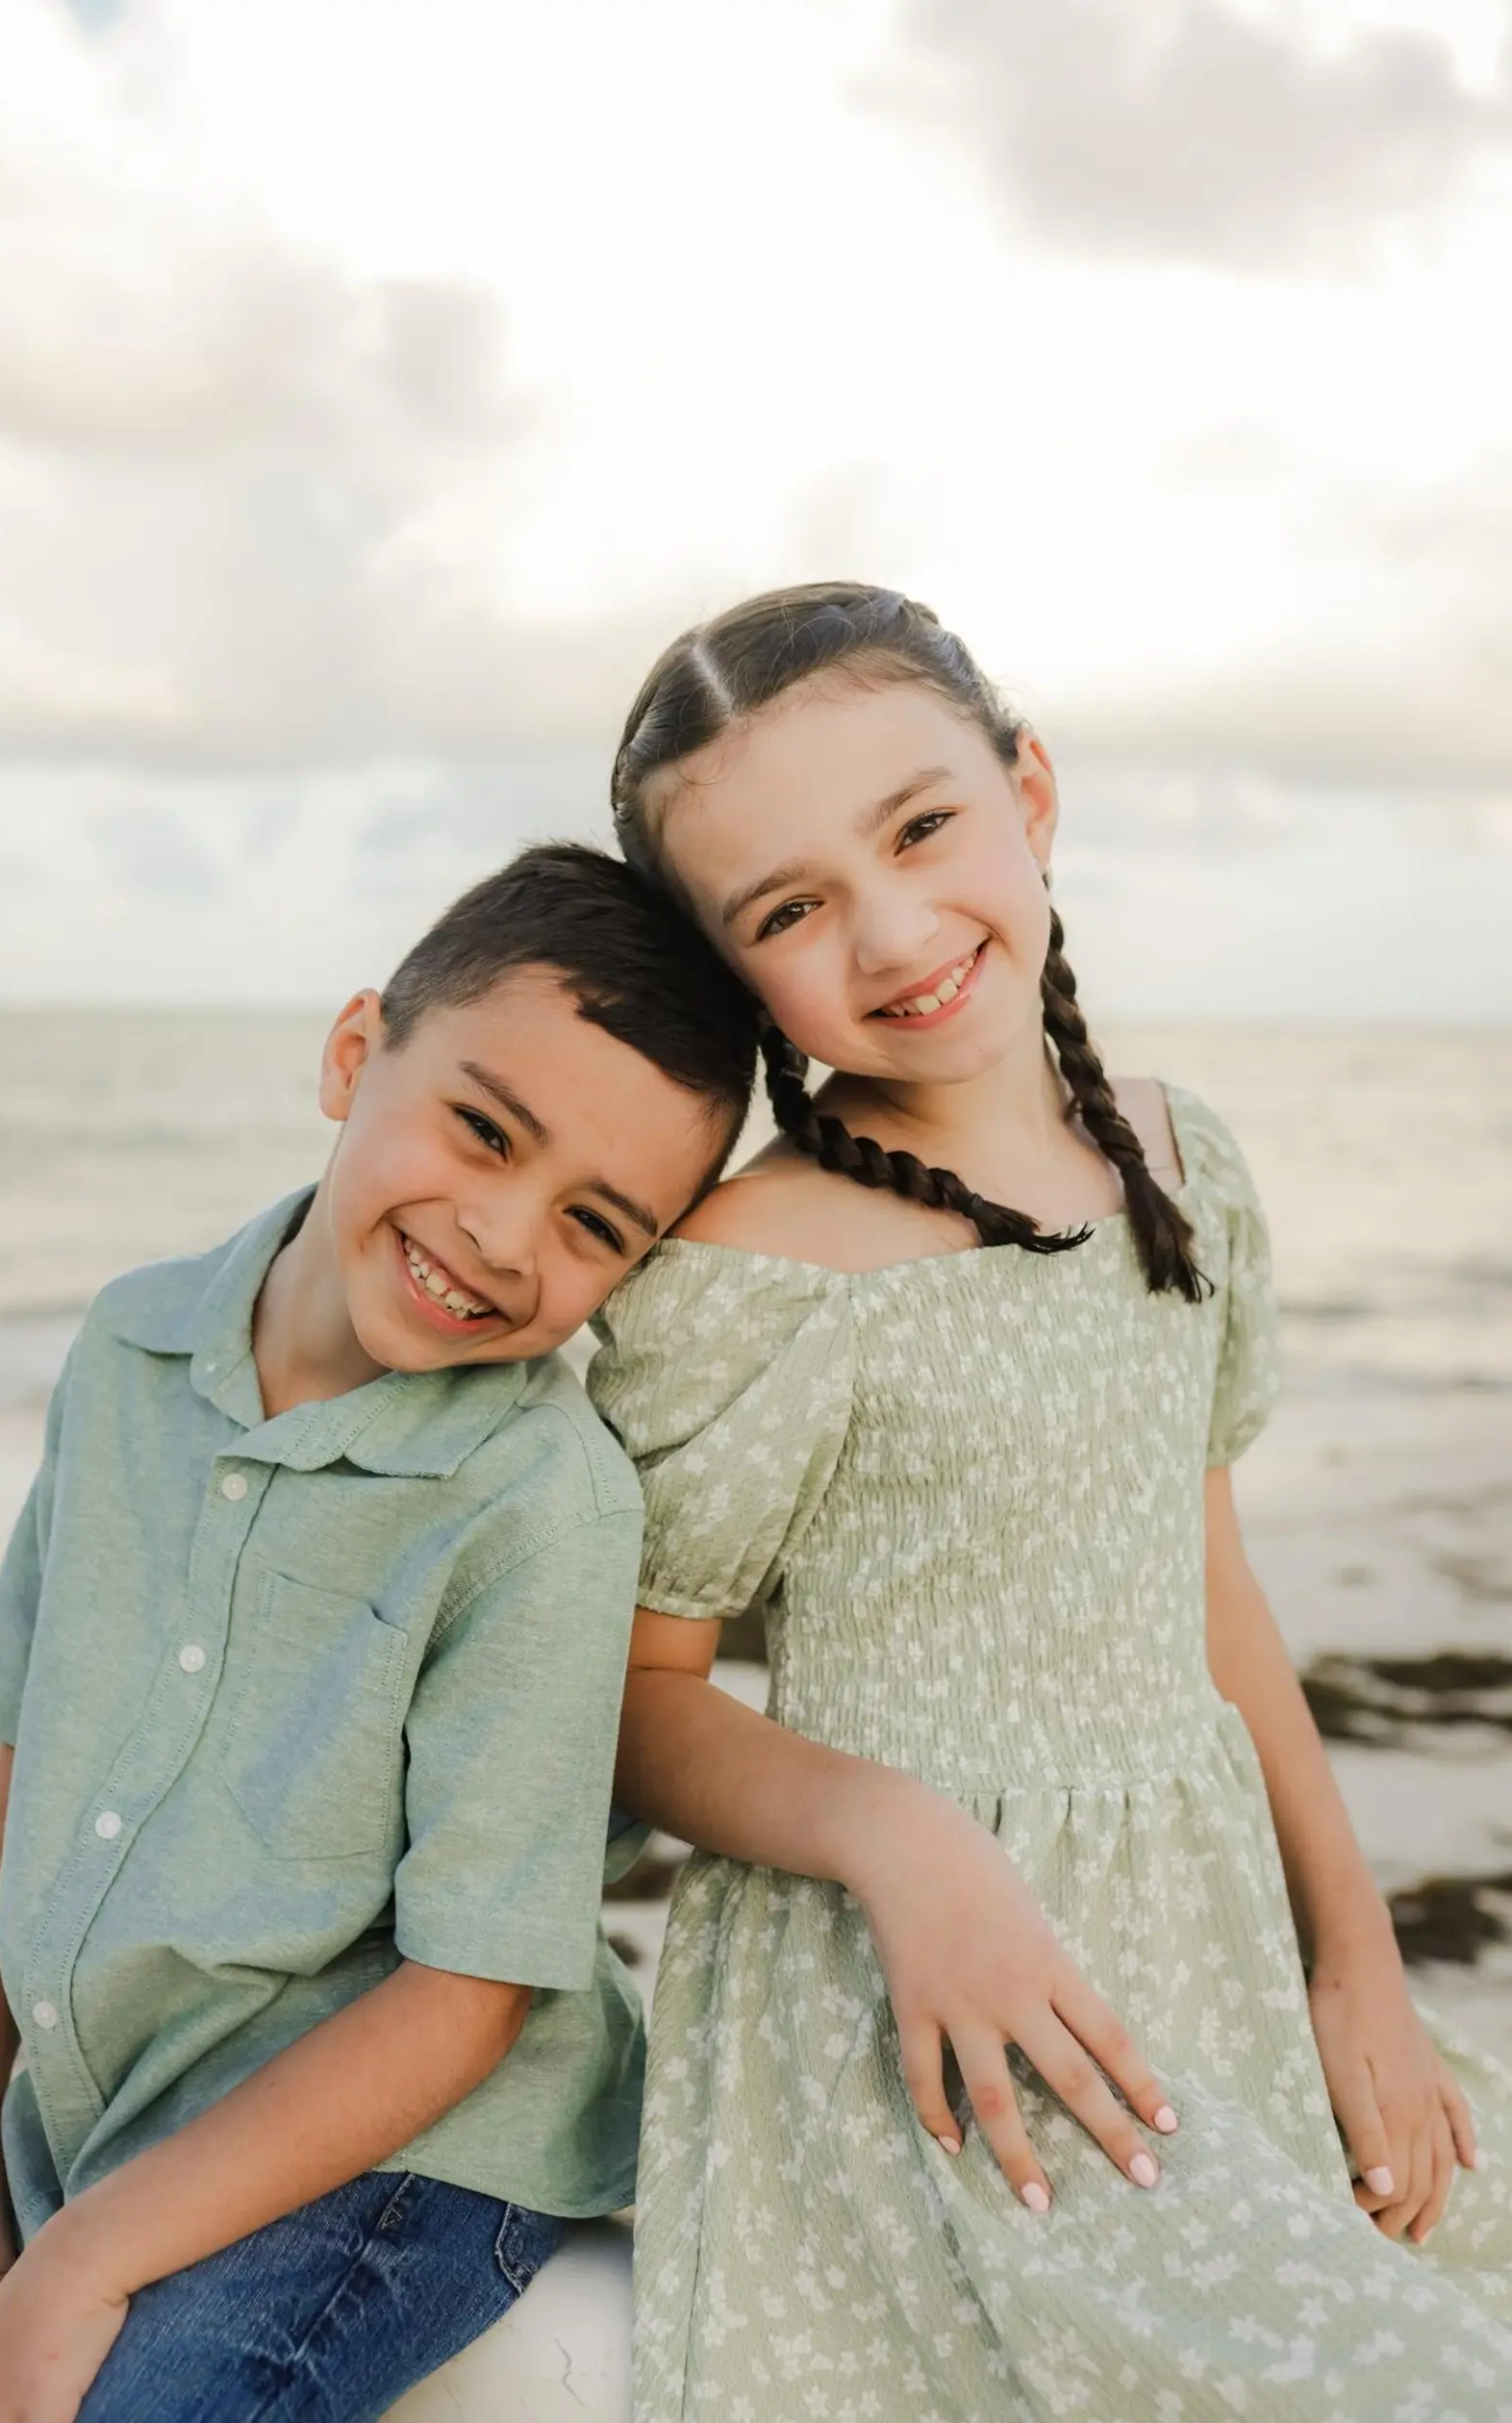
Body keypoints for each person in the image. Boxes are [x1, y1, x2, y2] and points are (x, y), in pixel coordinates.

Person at [590, 584, 1512, 2420]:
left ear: (1030, 791)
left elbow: (1211, 1586)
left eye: (922, 826)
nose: (893, 929)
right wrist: (906, 1841)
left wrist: (1357, 1964)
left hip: (1210, 1950)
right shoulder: (754, 1269)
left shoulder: (1179, 1161)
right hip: (931, 2015)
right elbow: (637, 1698)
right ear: (734, 975)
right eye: (788, 910)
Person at [0, 843, 758, 2423]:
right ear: (355, 1052)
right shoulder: (129, 1345)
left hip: (407, 2162)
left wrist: (85, 2261)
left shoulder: (540, 1504)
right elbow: (36, 1741)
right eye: (484, 1130)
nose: (504, 1236)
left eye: (593, 1223)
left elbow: (465, 1996)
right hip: (105, 2116)